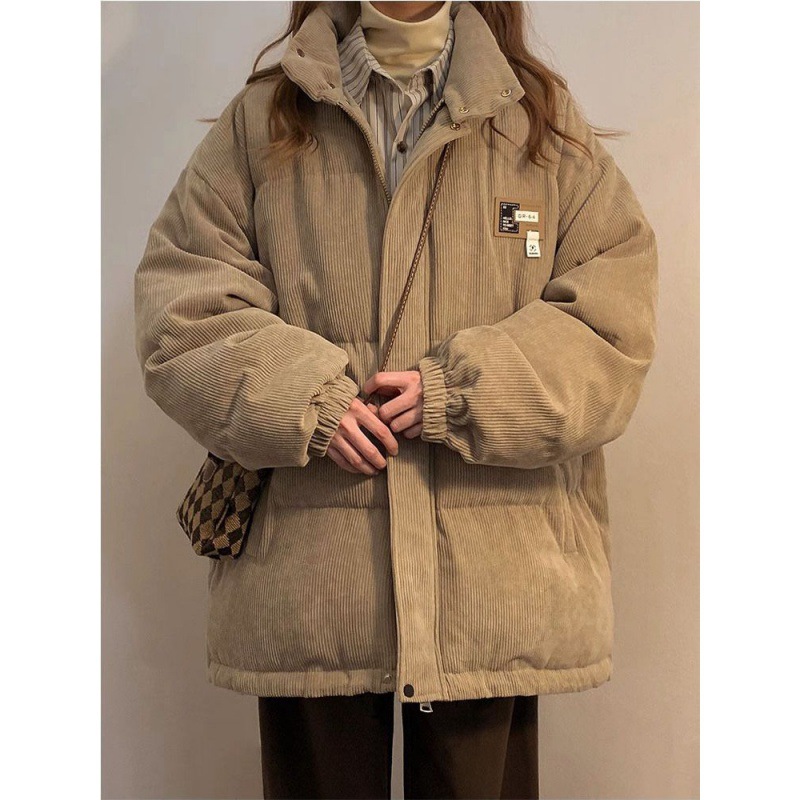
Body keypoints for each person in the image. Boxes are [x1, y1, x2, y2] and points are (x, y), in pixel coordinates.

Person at [133, 1, 658, 797]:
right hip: (319, 585)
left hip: (491, 588)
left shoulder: (537, 128)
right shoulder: (267, 123)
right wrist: (307, 396)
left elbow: (611, 328)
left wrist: (462, 391)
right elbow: (183, 310)